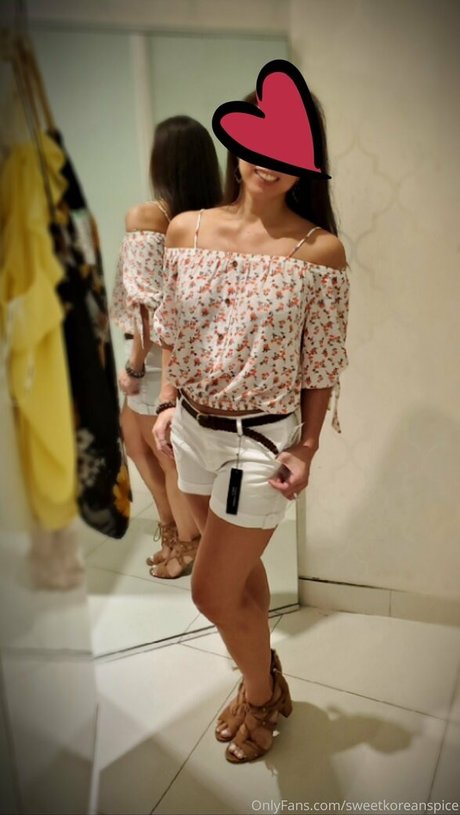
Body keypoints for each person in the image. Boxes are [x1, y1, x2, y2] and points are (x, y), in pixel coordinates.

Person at [152, 91, 350, 761]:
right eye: (258, 144)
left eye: (286, 150)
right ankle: (260, 670)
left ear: (307, 162)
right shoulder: (186, 230)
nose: (268, 162)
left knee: (211, 591)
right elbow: (172, 326)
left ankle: (262, 696)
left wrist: (309, 444)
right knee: (238, 579)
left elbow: (321, 363)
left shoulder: (319, 251)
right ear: (237, 144)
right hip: (192, 433)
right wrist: (166, 401)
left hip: (259, 443)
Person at [110, 115, 222, 578]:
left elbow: (146, 303)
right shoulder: (209, 218)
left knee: (161, 453)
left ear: (161, 163)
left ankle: (187, 546)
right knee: (141, 443)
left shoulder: (148, 217)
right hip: (187, 353)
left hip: (155, 355)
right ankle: (175, 533)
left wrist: (136, 365)